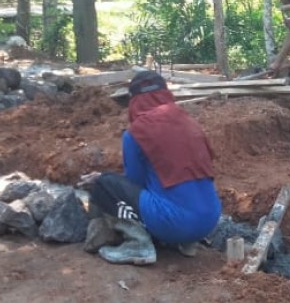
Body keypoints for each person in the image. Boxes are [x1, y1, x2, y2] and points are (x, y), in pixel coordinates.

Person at [84, 70, 221, 265]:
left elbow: (135, 183)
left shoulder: (137, 133)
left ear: (134, 101)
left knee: (105, 184)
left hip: (177, 224)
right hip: (210, 220)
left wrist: (103, 180)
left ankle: (139, 245)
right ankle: (188, 244)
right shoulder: (190, 124)